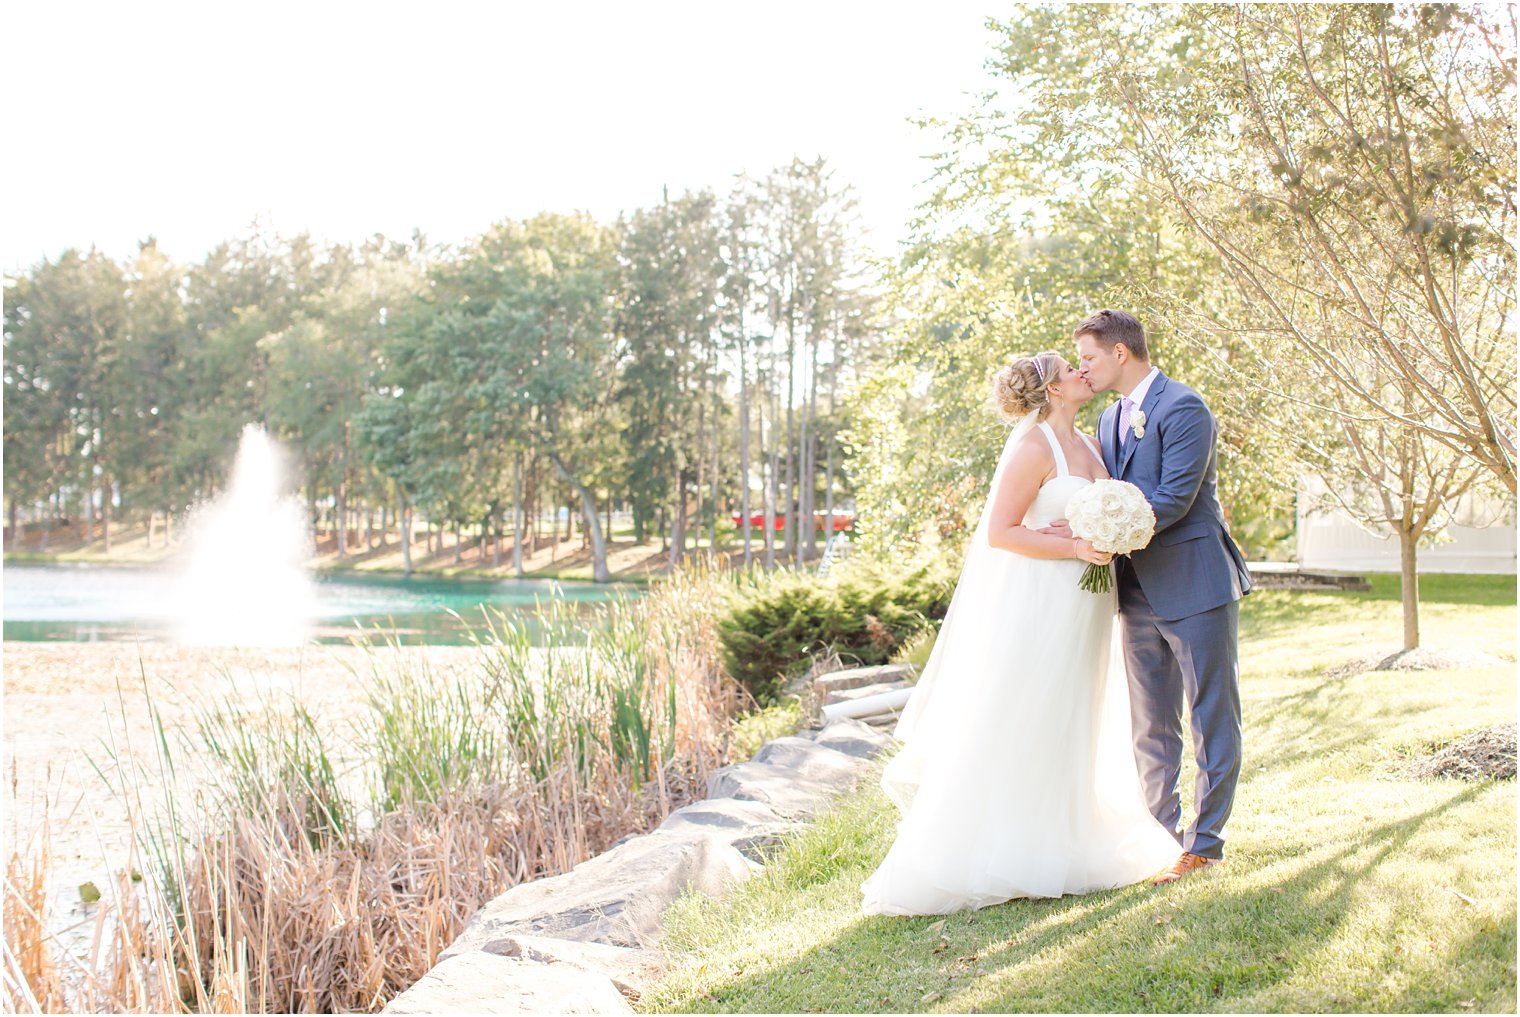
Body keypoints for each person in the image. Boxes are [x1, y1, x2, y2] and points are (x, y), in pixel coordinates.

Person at [861, 350, 1179, 917]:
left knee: (1078, 709)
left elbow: (1097, 508)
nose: (1083, 373)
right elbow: (1002, 533)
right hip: (1046, 599)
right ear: (1053, 389)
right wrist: (1075, 546)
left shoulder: (1091, 443)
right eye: (1071, 370)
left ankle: (1068, 835)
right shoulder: (1034, 446)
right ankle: (1007, 847)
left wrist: (1103, 532)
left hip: (1089, 599)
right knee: (1033, 707)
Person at [1059, 309, 1252, 884]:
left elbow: (1173, 497)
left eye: (1089, 358)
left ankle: (1206, 843)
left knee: (1211, 717)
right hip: (1135, 591)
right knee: (1150, 725)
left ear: (1121, 353)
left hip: (1194, 583)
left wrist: (1105, 532)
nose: (1083, 369)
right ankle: (1159, 838)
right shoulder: (1113, 417)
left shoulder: (1184, 406)